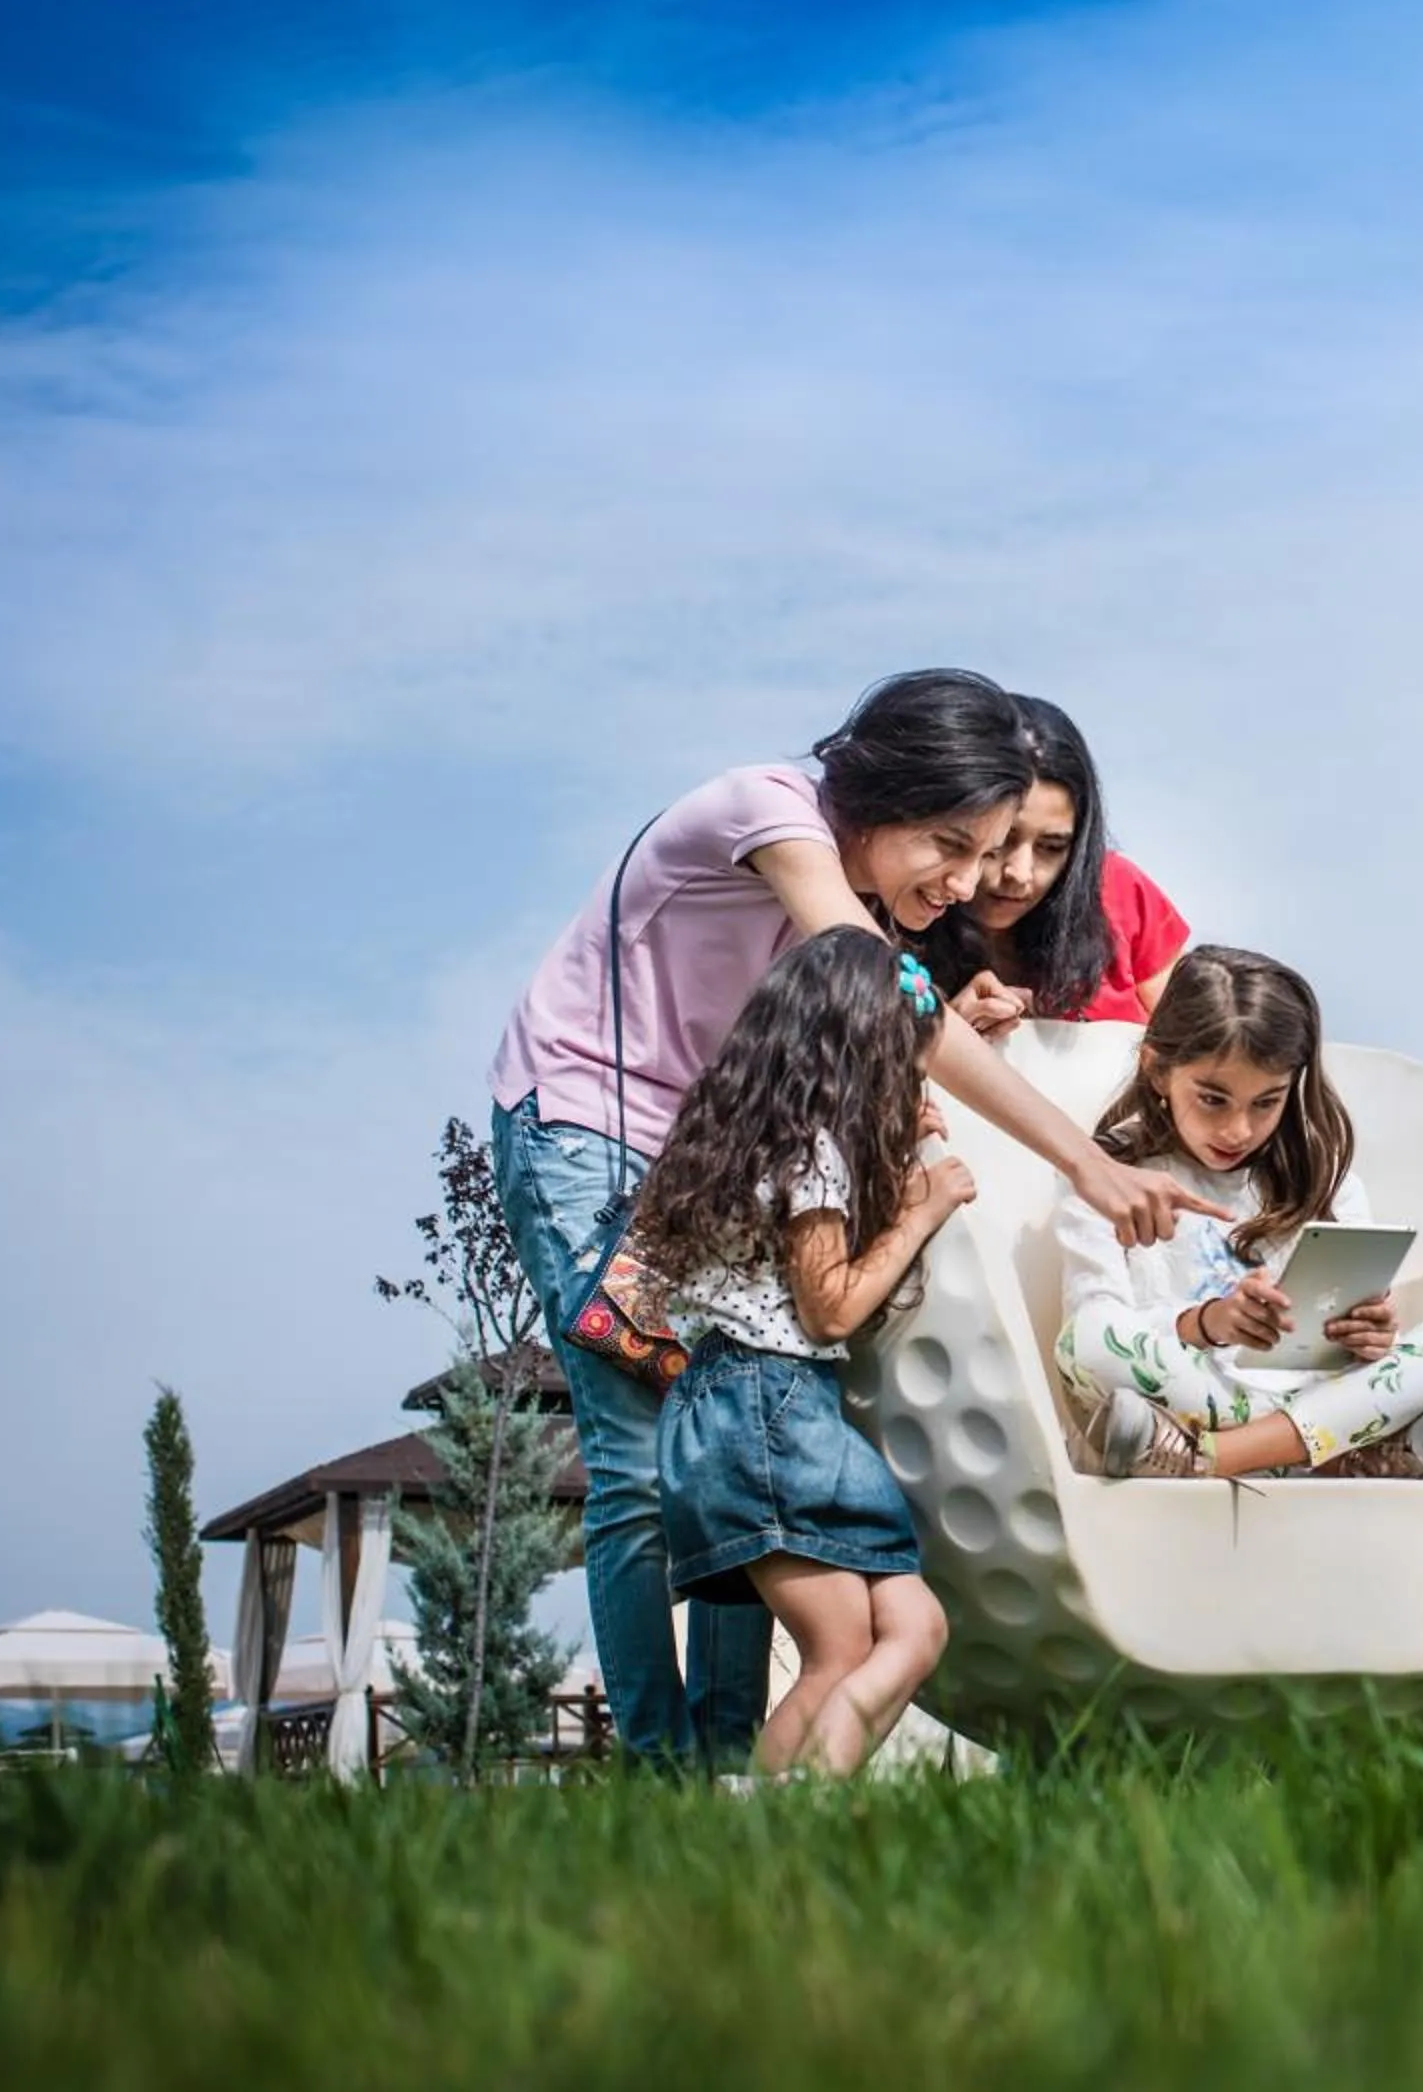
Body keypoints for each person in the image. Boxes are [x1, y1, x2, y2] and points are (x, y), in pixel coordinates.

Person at [486, 668, 1218, 1772]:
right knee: (642, 1470)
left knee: (728, 1473)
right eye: (952, 846)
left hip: (703, 1162)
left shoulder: (875, 897)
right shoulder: (771, 814)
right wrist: (1083, 1161)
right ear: (880, 796)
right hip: (588, 1130)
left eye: (990, 854)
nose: (972, 883)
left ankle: (731, 1765)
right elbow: (891, 1000)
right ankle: (660, 1770)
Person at [626, 929, 962, 1778]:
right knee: (841, 1649)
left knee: (916, 1628)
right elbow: (831, 1310)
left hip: (755, 1407)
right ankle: (777, 1832)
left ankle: (798, 1806)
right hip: (766, 1402)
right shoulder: (813, 1149)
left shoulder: (768, 1137)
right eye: (899, 1068)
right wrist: (924, 1209)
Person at [1052, 946, 1423, 1480]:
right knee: (1086, 1342)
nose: (1239, 1130)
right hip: (1198, 1390)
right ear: (1159, 1070)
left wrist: (1371, 1339)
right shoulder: (1110, 1171)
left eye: (1266, 1103)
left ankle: (1214, 1458)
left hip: (1291, 1399)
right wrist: (1209, 1324)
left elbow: (1351, 1345)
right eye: (1213, 1099)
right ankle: (1345, 1452)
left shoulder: (1323, 1177)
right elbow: (1095, 1320)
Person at [916, 695, 1190, 1039]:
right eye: (1000, 841)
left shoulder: (1119, 890)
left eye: (1052, 847)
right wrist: (942, 1040)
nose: (1020, 872)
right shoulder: (891, 926)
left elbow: (1199, 1049)